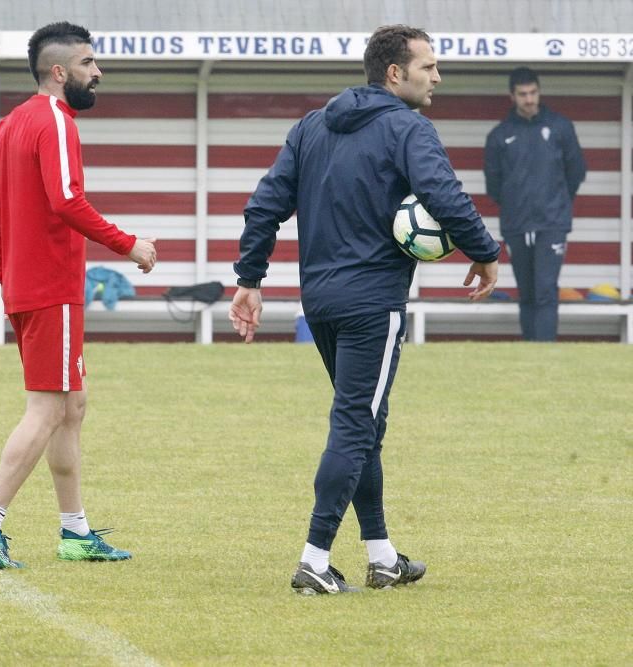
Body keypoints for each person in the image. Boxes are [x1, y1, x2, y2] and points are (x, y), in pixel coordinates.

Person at [230, 25, 500, 594]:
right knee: (355, 425)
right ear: (395, 73)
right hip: (373, 304)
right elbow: (446, 195)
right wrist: (487, 254)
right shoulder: (408, 127)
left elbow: (264, 206)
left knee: (365, 424)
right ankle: (314, 561)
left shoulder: (311, 126)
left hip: (321, 302)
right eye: (429, 66)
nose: (438, 77)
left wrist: (249, 278)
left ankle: (382, 557)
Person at [0, 21, 156, 569]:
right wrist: (130, 245)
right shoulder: (54, 121)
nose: (98, 73)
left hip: (30, 287)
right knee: (48, 408)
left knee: (73, 404)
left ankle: (74, 532)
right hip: (51, 290)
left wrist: (8, 271)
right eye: (90, 63)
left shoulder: (10, 124)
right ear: (59, 71)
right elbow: (68, 200)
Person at [484, 66, 587, 341]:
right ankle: (531, 352)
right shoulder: (499, 136)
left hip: (552, 223)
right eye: (522, 94)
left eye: (533, 93)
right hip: (516, 225)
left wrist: (556, 202)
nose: (529, 99)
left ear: (539, 92)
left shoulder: (560, 127)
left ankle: (545, 353)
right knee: (527, 292)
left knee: (545, 290)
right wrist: (515, 204)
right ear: (512, 96)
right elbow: (493, 186)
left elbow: (576, 172)